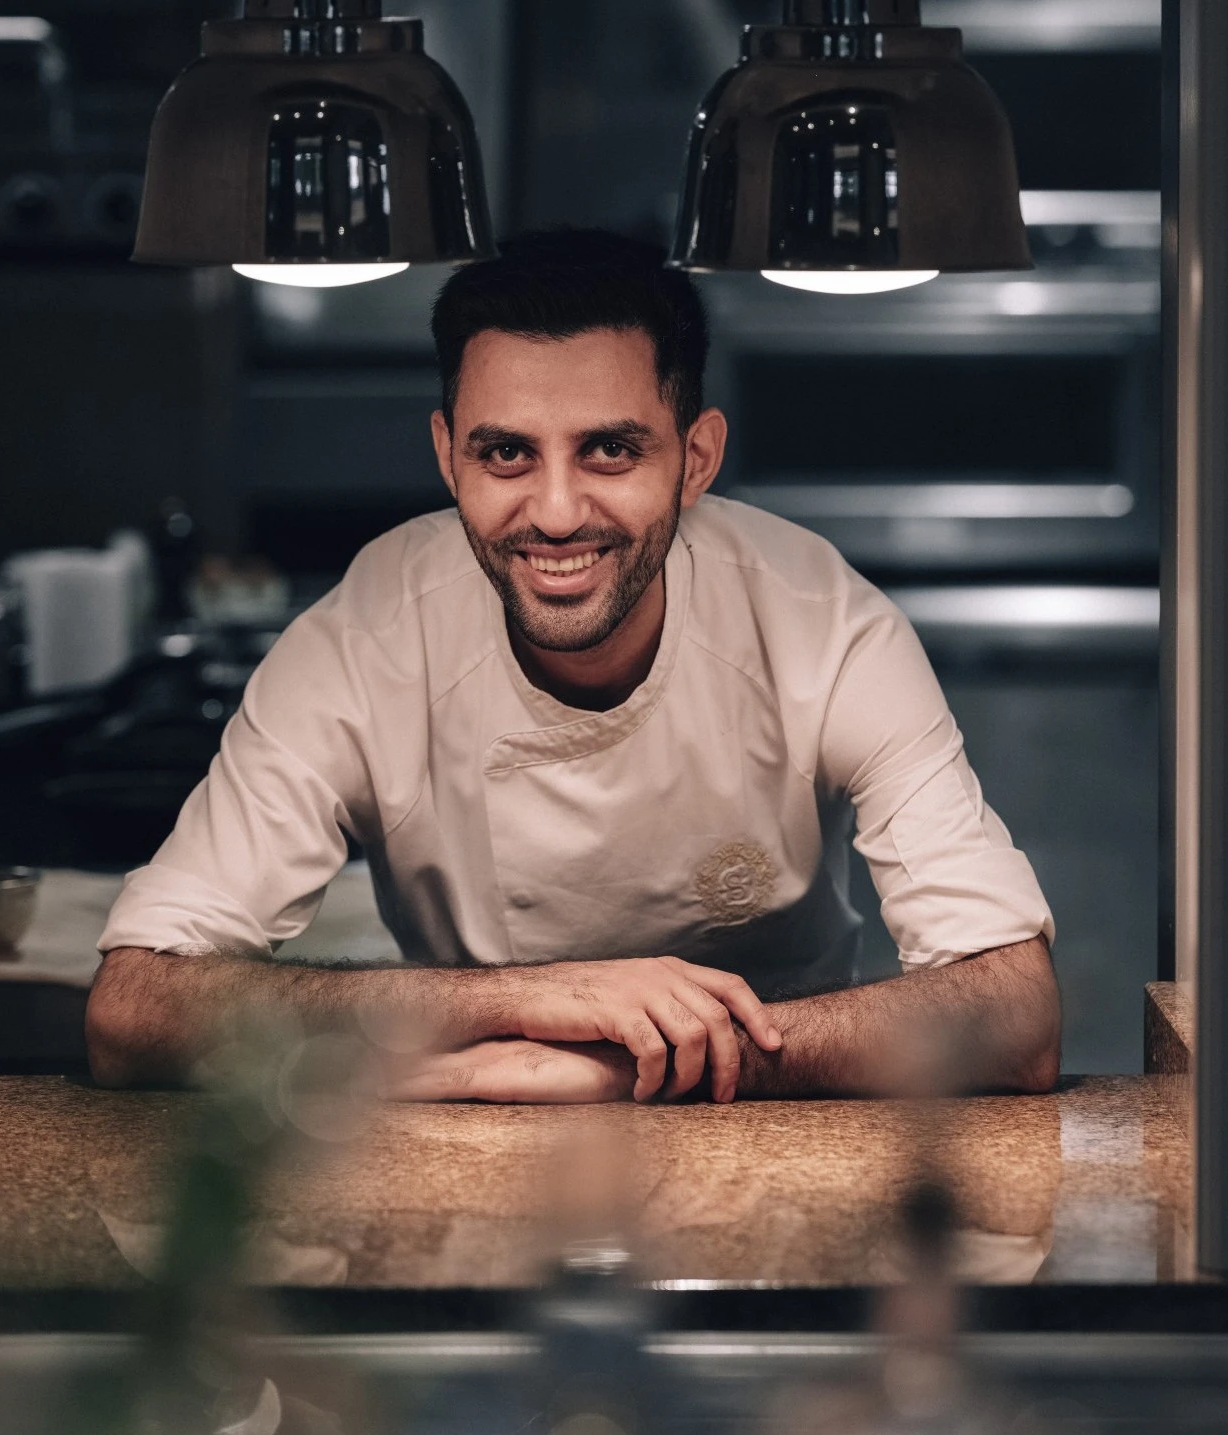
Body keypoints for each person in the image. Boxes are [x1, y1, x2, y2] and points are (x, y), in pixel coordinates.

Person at [87, 230, 1059, 1103]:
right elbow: (135, 1009)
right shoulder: (365, 638)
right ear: (446, 456)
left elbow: (1013, 1014)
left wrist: (636, 1063)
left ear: (696, 457)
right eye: (506, 452)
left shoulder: (823, 624)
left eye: (609, 450)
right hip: (479, 1124)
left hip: (785, 1117)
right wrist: (540, 998)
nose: (555, 511)